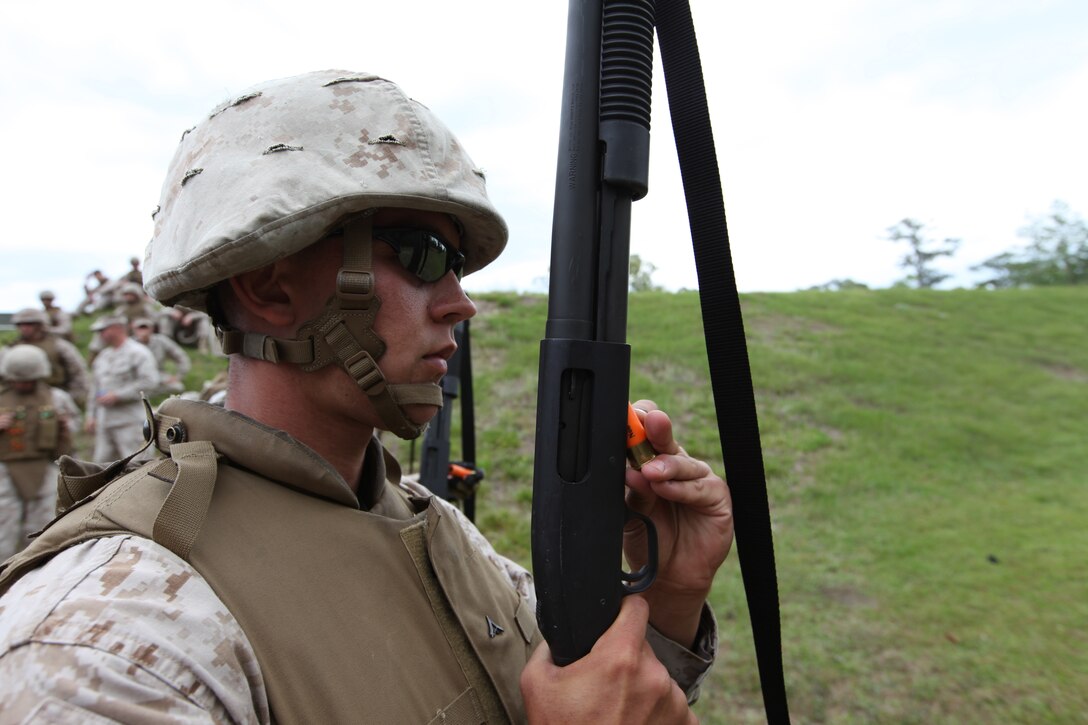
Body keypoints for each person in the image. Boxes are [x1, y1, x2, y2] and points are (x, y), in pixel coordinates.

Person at [0, 70, 733, 722]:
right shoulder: (110, 635)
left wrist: (666, 596)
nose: (459, 303)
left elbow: (592, 700)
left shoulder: (433, 529)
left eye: (458, 267)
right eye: (421, 255)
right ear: (268, 284)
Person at [0, 345, 80, 560]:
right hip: (4, 469)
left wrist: (63, 425)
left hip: (44, 466)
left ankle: (33, 568)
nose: (23, 384)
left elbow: (74, 425)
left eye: (29, 380)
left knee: (41, 524)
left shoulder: (56, 397)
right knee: (4, 526)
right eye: (18, 380)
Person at [83, 315, 159, 463]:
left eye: (103, 330)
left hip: (130, 422)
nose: (100, 335)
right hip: (105, 422)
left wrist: (118, 395)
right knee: (102, 467)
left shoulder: (137, 353)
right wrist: (91, 416)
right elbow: (95, 390)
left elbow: (150, 381)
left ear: (117, 329)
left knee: (137, 465)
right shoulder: (103, 357)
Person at [1, 308, 89, 409]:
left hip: (53, 395)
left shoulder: (59, 346)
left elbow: (77, 371)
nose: (24, 328)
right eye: (20, 325)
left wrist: (77, 396)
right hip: (17, 398)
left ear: (40, 325)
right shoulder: (10, 349)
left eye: (29, 324)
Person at [131, 317, 191, 394]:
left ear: (151, 329)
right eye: (140, 328)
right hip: (137, 377)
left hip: (158, 375)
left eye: (145, 328)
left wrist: (179, 376)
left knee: (178, 387)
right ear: (135, 330)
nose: (143, 331)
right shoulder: (130, 344)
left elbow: (181, 356)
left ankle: (148, 393)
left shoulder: (161, 341)